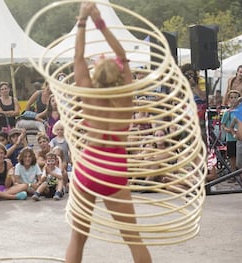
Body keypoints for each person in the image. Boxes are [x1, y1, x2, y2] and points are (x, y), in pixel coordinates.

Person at [65, 3, 151, 263]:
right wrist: (100, 22)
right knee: (133, 237)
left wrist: (83, 20)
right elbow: (122, 54)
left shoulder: (88, 93)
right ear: (119, 74)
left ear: (97, 75)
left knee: (78, 236)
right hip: (114, 169)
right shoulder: (126, 97)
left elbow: (78, 58)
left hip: (89, 166)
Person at [221, 90, 241, 174]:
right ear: (229, 99)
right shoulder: (227, 112)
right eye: (231, 97)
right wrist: (229, 130)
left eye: (235, 97)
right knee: (232, 157)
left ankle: (240, 174)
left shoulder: (241, 111)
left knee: (240, 157)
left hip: (240, 138)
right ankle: (233, 175)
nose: (233, 100)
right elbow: (223, 125)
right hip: (231, 138)